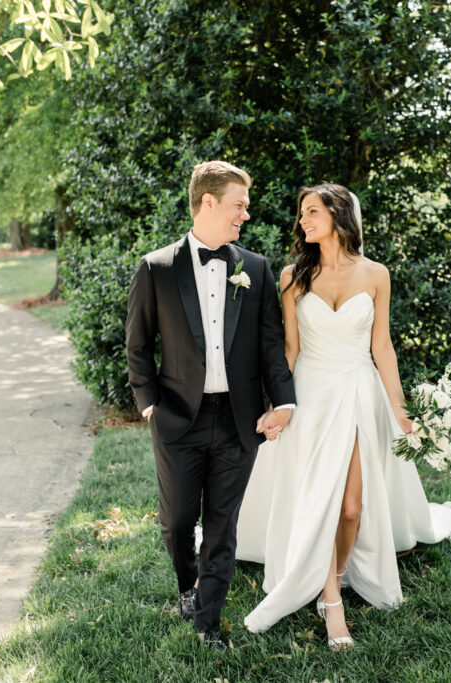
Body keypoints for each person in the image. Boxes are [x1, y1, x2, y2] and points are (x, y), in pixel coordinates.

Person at [235, 183, 451, 650]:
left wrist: (402, 412)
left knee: (350, 507)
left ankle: (336, 573)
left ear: (339, 216)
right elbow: (290, 350)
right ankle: (330, 601)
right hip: (312, 397)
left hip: (360, 392)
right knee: (318, 501)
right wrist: (280, 405)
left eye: (312, 211)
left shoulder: (376, 274)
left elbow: (382, 347)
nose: (303, 220)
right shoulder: (292, 276)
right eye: (302, 213)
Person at [125, 161, 296, 651]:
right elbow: (138, 346)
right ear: (209, 202)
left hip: (240, 420)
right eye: (238, 205)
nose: (245, 214)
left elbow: (270, 345)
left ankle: (207, 622)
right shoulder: (156, 268)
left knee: (223, 525)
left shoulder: (255, 269)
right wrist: (149, 406)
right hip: (177, 417)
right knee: (178, 520)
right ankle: (186, 584)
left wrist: (283, 401)